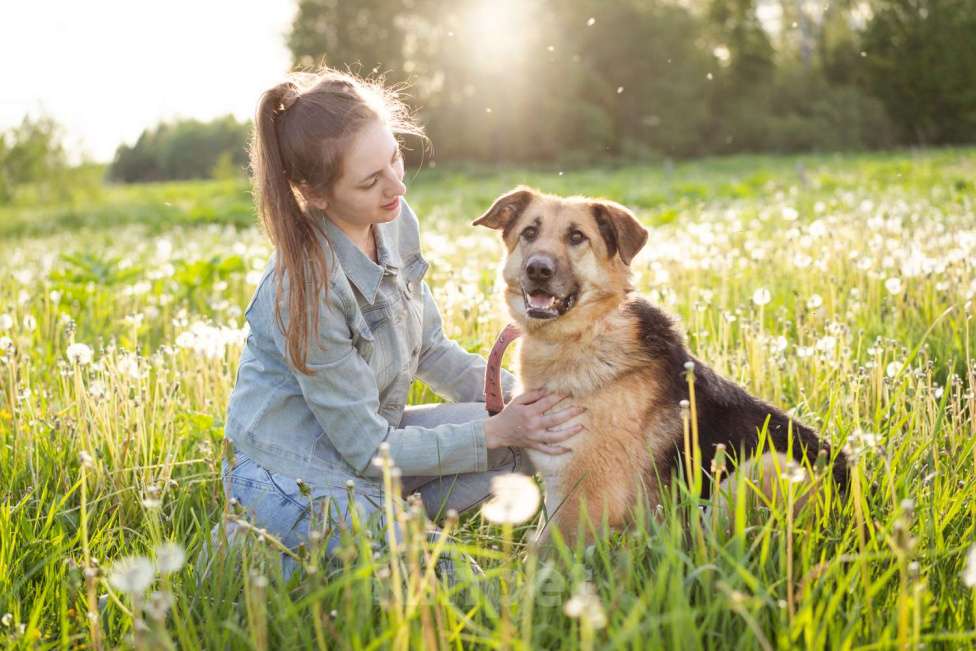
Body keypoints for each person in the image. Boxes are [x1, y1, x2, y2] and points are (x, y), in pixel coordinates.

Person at [217, 68, 584, 574]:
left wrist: (525, 399)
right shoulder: (302, 290)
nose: (397, 184)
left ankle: (385, 526)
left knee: (528, 446)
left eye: (394, 156)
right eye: (371, 180)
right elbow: (367, 451)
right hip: (296, 475)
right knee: (460, 584)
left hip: (371, 448)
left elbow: (431, 349)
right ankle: (276, 538)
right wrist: (497, 430)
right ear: (316, 194)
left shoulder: (391, 218)